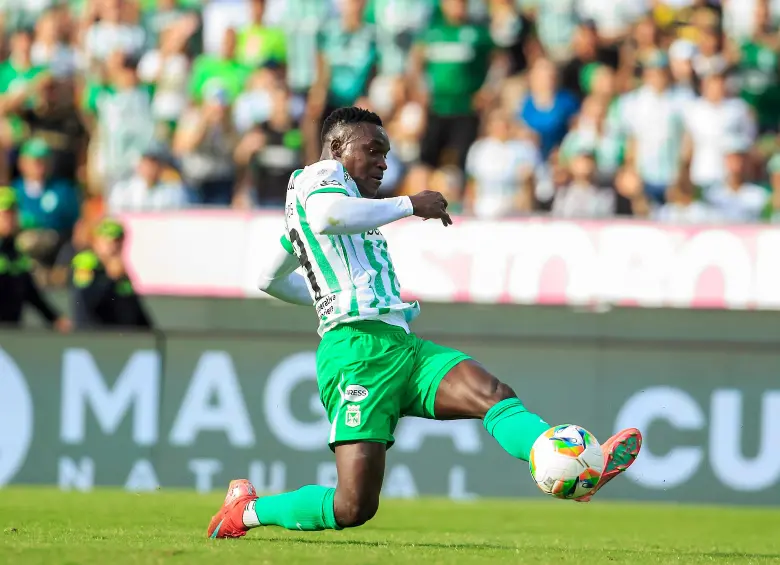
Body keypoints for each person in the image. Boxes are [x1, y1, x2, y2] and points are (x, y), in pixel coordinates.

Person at [206, 107, 643, 539]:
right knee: (353, 506)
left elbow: (269, 278)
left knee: (493, 394)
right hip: (356, 354)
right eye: (373, 150)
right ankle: (246, 512)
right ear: (337, 148)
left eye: (387, 153)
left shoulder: (343, 204)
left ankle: (570, 467)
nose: (383, 162)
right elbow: (326, 217)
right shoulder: (318, 177)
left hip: (402, 346)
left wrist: (327, 296)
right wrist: (410, 204)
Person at [0, 186, 71, 331]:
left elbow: (30, 294)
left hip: (11, 334)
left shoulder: (17, 253)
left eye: (13, 213)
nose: (10, 219)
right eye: (5, 214)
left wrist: (55, 318)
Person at [70, 218, 153, 330]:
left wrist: (149, 332)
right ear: (96, 241)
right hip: (93, 333)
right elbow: (85, 301)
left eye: (118, 241)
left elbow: (132, 304)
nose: (114, 246)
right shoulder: (86, 262)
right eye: (108, 241)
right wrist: (111, 278)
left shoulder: (120, 269)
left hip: (121, 334)